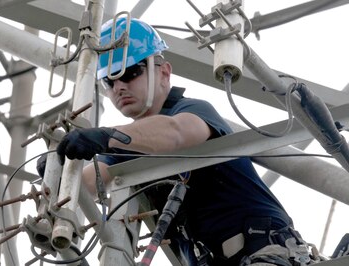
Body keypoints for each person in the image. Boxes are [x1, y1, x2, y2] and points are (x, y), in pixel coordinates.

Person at [53, 18, 314, 265]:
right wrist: (59, 173)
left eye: (130, 72)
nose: (119, 86)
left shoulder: (193, 111)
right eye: (108, 81)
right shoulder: (122, 150)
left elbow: (176, 134)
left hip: (264, 252)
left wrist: (108, 136)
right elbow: (87, 182)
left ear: (164, 73)